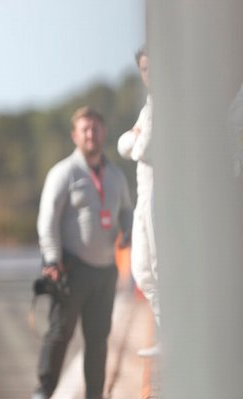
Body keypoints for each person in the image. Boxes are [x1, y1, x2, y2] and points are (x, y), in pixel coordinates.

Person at [27, 106, 133, 399]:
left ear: (104, 133)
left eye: (96, 128)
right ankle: (43, 392)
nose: (91, 134)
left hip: (105, 270)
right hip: (72, 268)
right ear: (75, 135)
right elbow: (48, 219)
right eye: (85, 129)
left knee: (99, 336)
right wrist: (51, 258)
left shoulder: (115, 175)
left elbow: (127, 209)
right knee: (60, 332)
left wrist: (126, 229)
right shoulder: (64, 173)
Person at [117, 46, 161, 357]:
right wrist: (134, 140)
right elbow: (127, 143)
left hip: (163, 193)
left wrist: (134, 140)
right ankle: (167, 334)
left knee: (160, 267)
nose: (149, 75)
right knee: (142, 269)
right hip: (144, 195)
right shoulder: (148, 107)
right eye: (144, 70)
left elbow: (141, 149)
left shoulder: (168, 102)